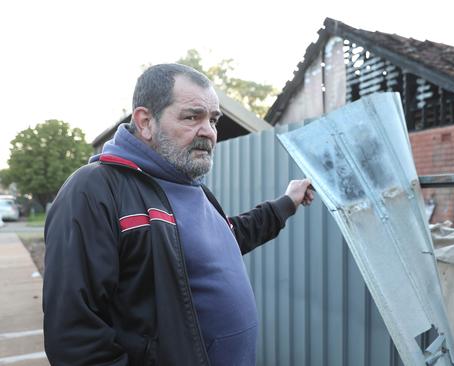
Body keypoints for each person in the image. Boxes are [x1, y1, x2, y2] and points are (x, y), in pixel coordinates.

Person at [43, 63, 314, 366]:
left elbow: (226, 240)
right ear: (145, 121)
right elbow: (75, 336)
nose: (209, 132)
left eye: (213, 120)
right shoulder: (94, 190)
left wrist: (287, 203)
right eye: (192, 117)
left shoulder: (192, 187)